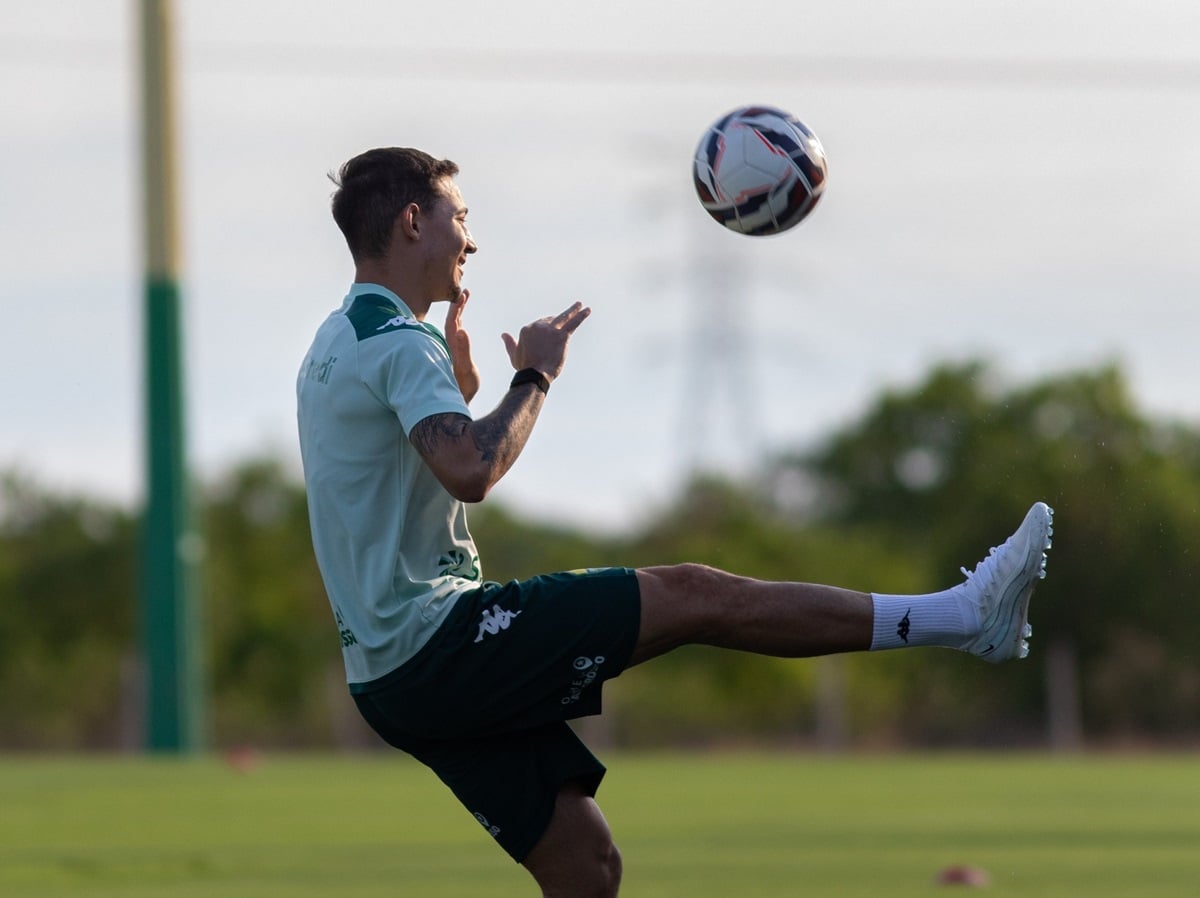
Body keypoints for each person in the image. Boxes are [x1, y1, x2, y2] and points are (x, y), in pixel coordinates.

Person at [296, 146, 1054, 898]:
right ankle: (963, 617)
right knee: (695, 593)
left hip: (390, 675)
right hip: (440, 645)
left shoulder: (335, 342)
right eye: (461, 217)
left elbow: (415, 465)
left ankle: (964, 620)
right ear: (411, 221)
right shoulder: (398, 344)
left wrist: (461, 390)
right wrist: (536, 376)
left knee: (585, 865)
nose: (471, 238)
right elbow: (472, 469)